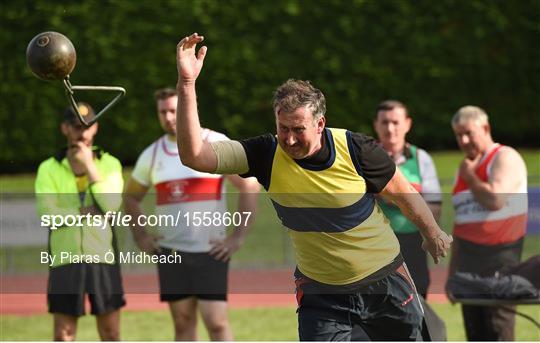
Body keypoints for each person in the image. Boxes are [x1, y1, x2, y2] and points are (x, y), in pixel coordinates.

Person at [174, 33, 452, 341]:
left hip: (384, 282)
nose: (290, 139)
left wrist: (432, 232)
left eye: (298, 129)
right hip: (322, 295)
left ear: (320, 124)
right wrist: (187, 84)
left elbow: (403, 194)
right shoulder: (265, 154)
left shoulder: (357, 149)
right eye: (283, 129)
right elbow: (194, 155)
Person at [123, 88, 259, 341]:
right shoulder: (152, 154)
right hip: (171, 253)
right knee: (183, 323)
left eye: (174, 110)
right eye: (163, 112)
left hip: (210, 251)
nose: (169, 116)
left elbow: (250, 185)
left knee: (216, 323)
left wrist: (237, 237)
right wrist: (141, 236)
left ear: (189, 108)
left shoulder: (215, 142)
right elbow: (131, 196)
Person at [35, 103, 125, 341]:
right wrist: (86, 213)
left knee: (111, 333)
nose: (82, 132)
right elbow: (47, 214)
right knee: (64, 334)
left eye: (88, 126)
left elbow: (112, 207)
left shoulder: (110, 164)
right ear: (64, 129)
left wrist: (89, 166)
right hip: (65, 259)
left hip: (103, 257)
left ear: (96, 128)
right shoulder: (48, 168)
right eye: (76, 126)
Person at [448, 105, 528, 341]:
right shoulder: (464, 168)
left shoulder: (505, 157)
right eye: (458, 135)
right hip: (468, 268)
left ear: (486, 128)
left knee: (497, 331)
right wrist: (453, 274)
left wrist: (470, 176)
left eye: (468, 133)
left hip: (500, 264)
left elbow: (495, 199)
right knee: (475, 335)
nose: (463, 140)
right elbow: (460, 226)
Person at [373, 100, 442, 299]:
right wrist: (409, 200)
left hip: (414, 246)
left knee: (418, 308)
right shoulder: (365, 158)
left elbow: (435, 208)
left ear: (407, 124)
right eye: (384, 122)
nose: (390, 128)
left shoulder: (421, 159)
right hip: (376, 247)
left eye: (395, 122)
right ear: (376, 125)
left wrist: (390, 197)